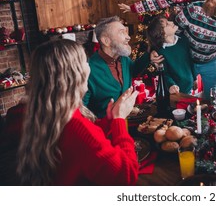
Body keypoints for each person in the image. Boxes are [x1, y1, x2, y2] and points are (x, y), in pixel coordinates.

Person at [17, 40, 140, 185]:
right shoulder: (76, 127)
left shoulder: (48, 112)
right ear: (74, 74)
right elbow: (126, 177)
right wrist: (119, 120)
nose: (89, 67)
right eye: (85, 62)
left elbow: (82, 148)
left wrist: (110, 119)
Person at [83, 16, 163, 118]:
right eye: (122, 32)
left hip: (126, 124)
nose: (128, 37)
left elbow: (133, 71)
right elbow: (81, 111)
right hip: (103, 130)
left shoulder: (124, 59)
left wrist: (148, 56)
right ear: (106, 41)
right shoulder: (88, 70)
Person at [146, 15, 196, 94]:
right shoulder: (160, 52)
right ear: (162, 34)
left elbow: (191, 61)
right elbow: (164, 74)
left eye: (168, 21)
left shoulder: (184, 40)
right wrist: (171, 85)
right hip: (176, 92)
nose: (171, 22)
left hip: (192, 88)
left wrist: (195, 78)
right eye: (167, 24)